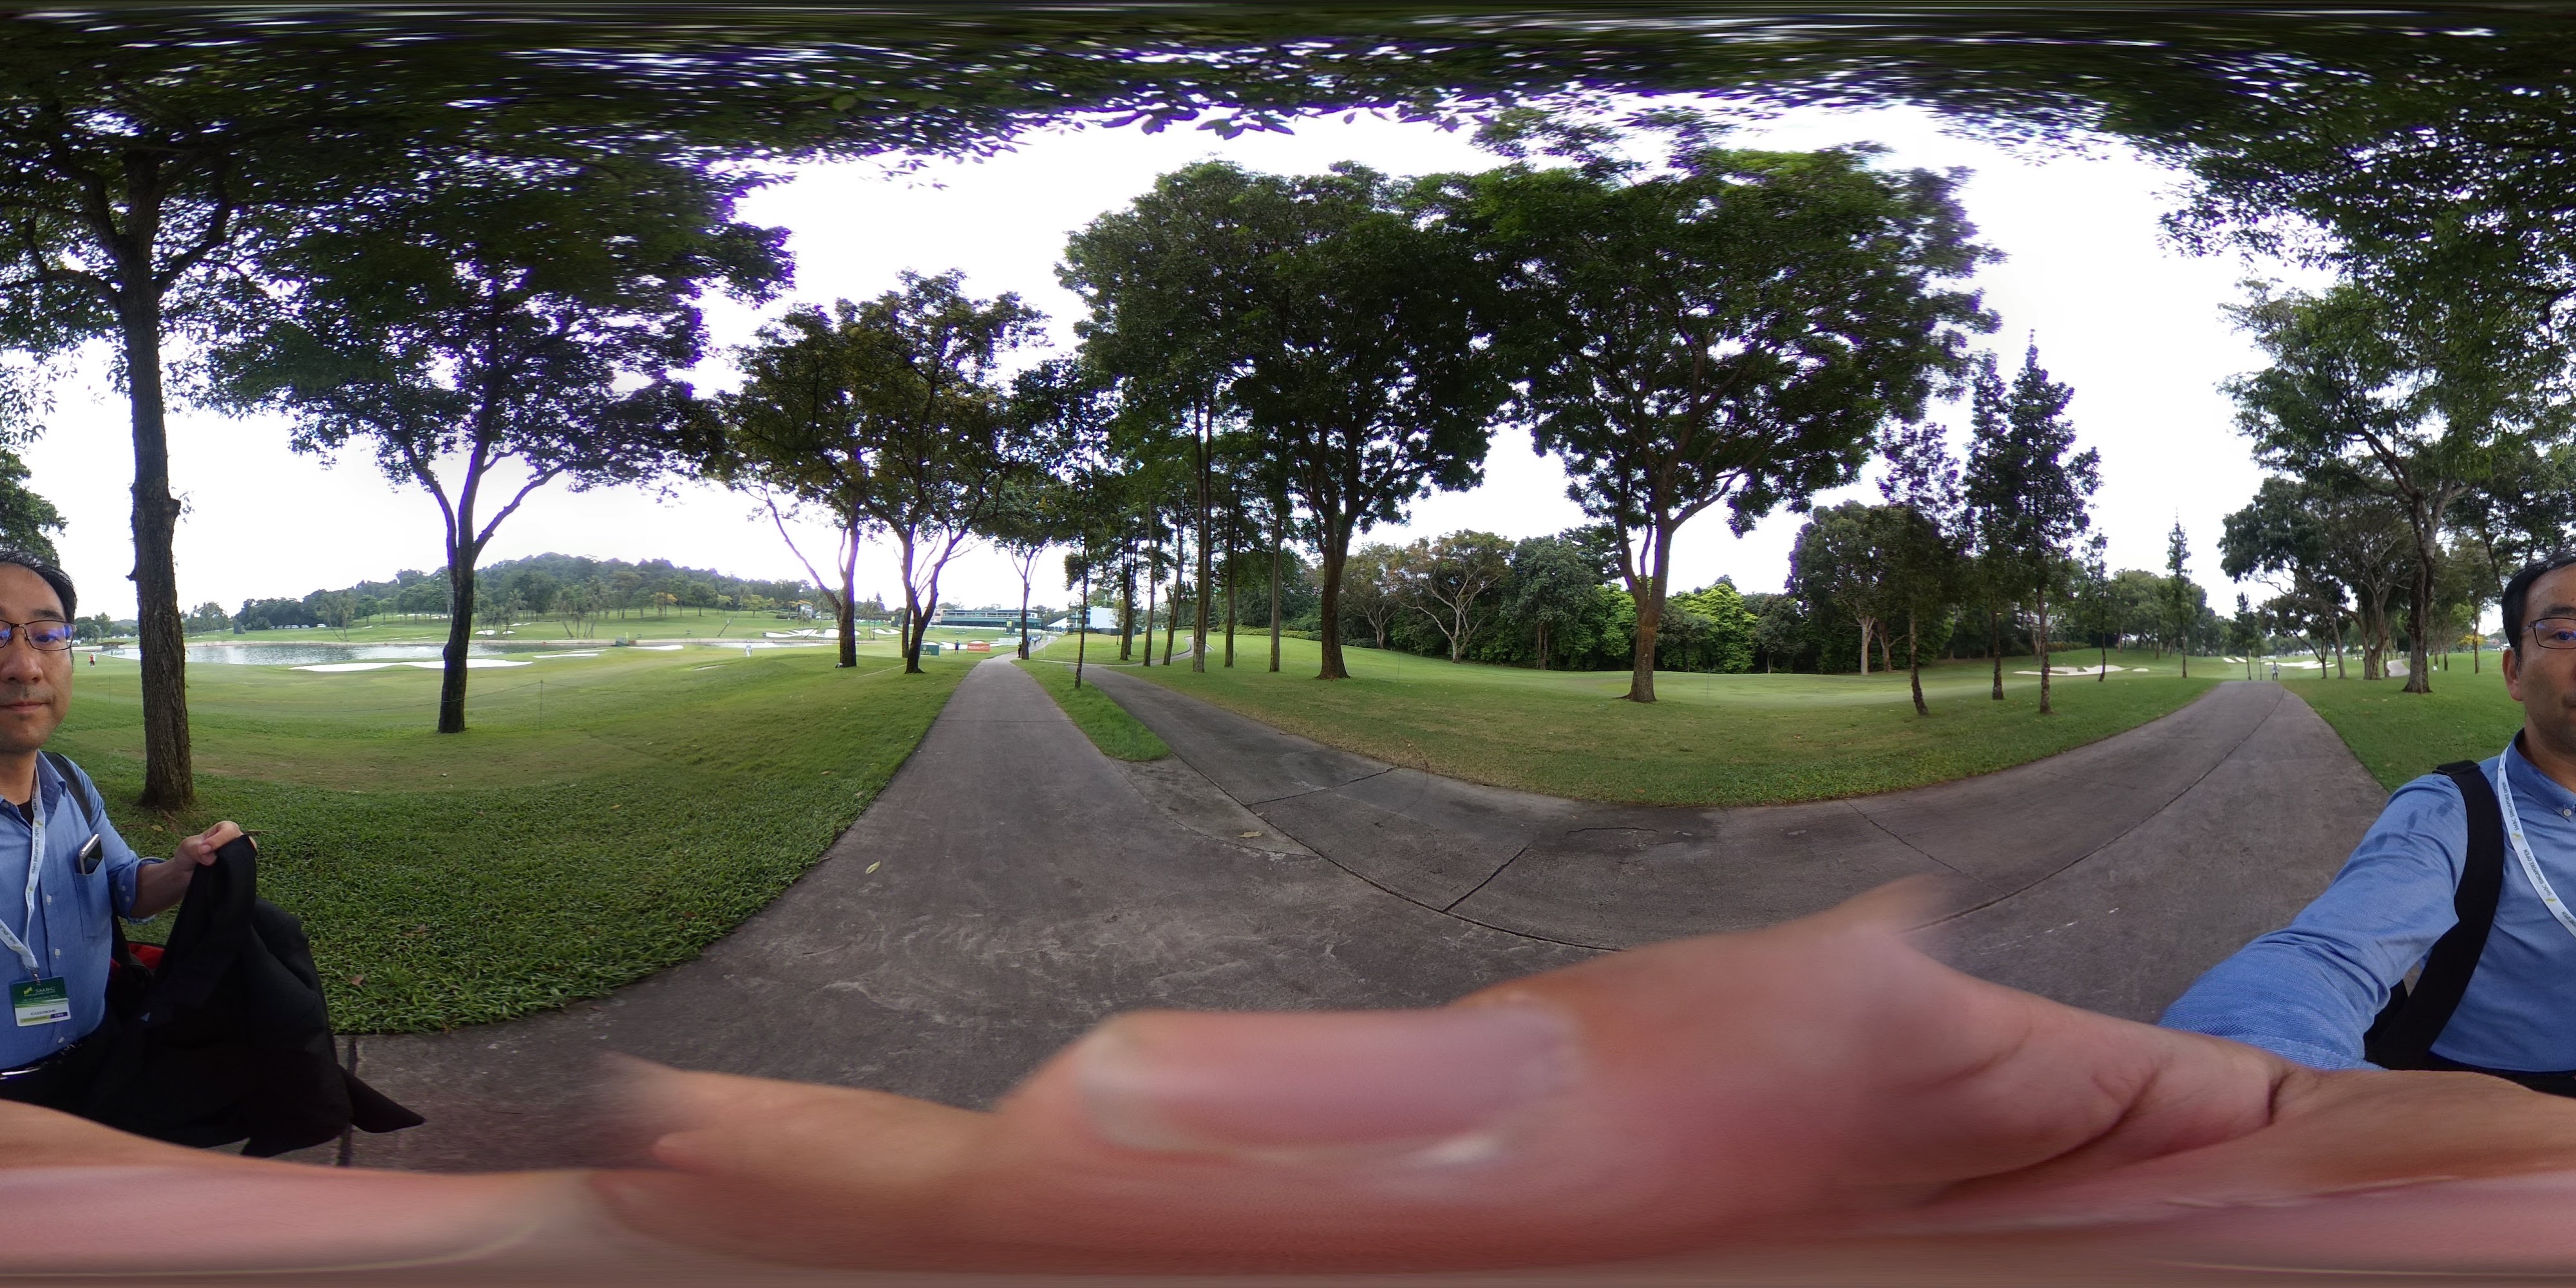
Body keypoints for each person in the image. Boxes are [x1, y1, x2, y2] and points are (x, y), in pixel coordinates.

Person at [2163, 551, 2576, 1079]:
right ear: (2515, 672)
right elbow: (2325, 957)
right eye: (2563, 634)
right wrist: (2236, 1077)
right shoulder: (2447, 814)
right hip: (2483, 1108)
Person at [0, 551, 243, 1108]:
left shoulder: (69, 782)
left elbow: (126, 887)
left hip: (100, 1068)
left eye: (45, 633)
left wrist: (184, 867)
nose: (24, 666)